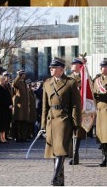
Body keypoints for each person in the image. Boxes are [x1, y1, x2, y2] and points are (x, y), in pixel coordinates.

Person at [41, 57, 81, 186]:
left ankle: (54, 177)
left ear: (61, 69)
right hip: (51, 120)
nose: (51, 69)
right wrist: (43, 125)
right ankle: (60, 180)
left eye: (54, 67)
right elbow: (44, 107)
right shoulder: (47, 83)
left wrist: (76, 123)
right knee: (54, 151)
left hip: (64, 119)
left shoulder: (70, 83)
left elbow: (76, 105)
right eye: (50, 68)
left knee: (61, 149)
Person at [67, 58, 87, 165]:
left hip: (81, 108)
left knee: (78, 133)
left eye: (74, 64)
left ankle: (75, 155)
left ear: (79, 66)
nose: (72, 65)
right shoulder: (68, 78)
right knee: (70, 132)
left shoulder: (85, 77)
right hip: (70, 108)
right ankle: (73, 154)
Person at [12, 70, 31, 142]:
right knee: (18, 122)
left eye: (24, 74)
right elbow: (14, 84)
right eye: (22, 74)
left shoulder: (24, 83)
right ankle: (17, 137)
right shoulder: (18, 83)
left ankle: (23, 137)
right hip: (19, 107)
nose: (24, 75)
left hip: (25, 106)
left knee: (24, 123)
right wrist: (18, 76)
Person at [0, 75, 12, 143]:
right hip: (1, 108)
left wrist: (10, 104)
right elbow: (0, 99)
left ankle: (4, 137)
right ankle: (0, 137)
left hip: (6, 108)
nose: (4, 81)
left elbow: (9, 97)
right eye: (3, 80)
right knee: (1, 124)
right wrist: (7, 105)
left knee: (5, 123)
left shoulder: (5, 87)